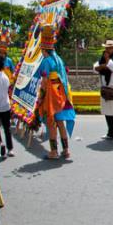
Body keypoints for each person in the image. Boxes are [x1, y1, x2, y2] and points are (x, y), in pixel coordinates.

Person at [38, 25, 77, 159]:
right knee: (60, 123)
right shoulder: (59, 59)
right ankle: (66, 151)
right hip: (63, 95)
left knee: (51, 123)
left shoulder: (46, 61)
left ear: (44, 49)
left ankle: (53, 152)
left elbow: (44, 82)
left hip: (52, 97)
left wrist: (40, 98)